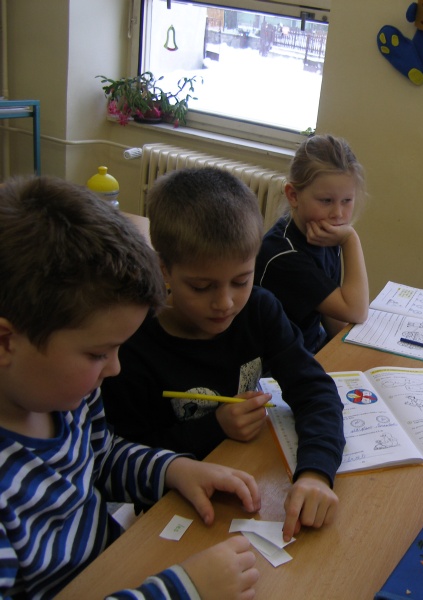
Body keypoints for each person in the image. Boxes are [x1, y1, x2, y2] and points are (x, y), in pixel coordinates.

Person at [0, 176, 262, 599]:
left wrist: (173, 469)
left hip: (112, 568)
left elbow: (101, 459)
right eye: (97, 354)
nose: (115, 368)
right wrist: (183, 591)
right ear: (6, 342)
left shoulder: (68, 397)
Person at [101, 166, 345, 543]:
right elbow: (125, 454)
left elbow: (314, 389)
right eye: (201, 287)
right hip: (175, 509)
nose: (225, 302)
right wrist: (214, 428)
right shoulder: (133, 345)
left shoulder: (260, 310)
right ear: (163, 269)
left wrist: (315, 473)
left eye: (241, 281)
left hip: (249, 484)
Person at [255, 134, 369, 353]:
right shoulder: (284, 256)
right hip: (280, 362)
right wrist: (351, 239)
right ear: (293, 195)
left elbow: (335, 319)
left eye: (347, 201)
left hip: (310, 349)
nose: (338, 213)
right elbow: (355, 311)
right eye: (326, 201)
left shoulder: (326, 235)